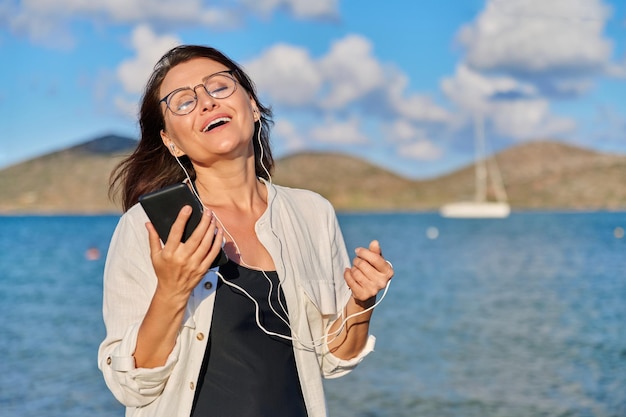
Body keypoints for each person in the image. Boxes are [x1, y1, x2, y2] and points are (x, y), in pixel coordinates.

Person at [98, 44, 394, 417]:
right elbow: (131, 386)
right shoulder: (147, 228)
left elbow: (333, 358)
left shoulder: (312, 213)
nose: (205, 102)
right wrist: (172, 291)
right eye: (183, 101)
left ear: (252, 106)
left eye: (218, 87)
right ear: (171, 142)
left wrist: (361, 303)